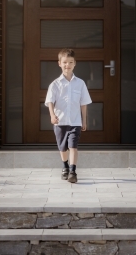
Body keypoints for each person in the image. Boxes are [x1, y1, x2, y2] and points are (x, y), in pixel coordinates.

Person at [45, 48, 92, 183]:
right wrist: (52, 116)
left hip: (75, 122)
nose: (68, 65)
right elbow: (50, 102)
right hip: (60, 122)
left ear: (75, 63)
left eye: (70, 62)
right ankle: (65, 166)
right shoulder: (55, 84)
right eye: (65, 62)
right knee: (63, 147)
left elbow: (83, 103)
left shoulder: (80, 83)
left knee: (73, 146)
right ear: (59, 63)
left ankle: (72, 171)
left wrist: (84, 121)